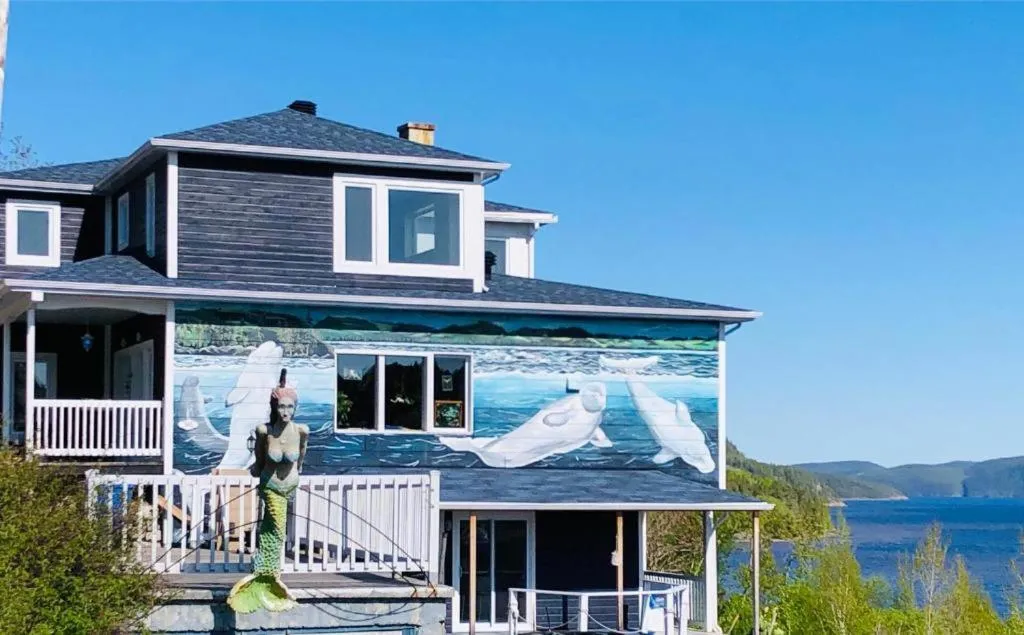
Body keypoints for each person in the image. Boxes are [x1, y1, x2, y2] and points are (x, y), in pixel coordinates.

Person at [227, 369, 309, 614]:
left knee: (271, 529)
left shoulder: (301, 431)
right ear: (275, 407)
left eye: (290, 407)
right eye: (282, 407)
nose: (286, 412)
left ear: (295, 408)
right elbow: (261, 457)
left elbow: (301, 457)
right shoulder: (265, 431)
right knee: (276, 526)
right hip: (271, 485)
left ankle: (267, 575)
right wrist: (258, 471)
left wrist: (298, 473)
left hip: (289, 486)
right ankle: (266, 574)